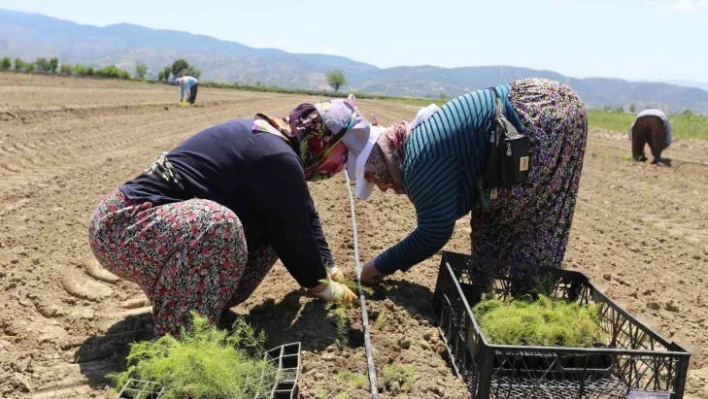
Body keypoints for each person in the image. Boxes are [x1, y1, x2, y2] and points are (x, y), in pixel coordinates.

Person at [87, 97, 372, 336]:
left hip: (155, 230)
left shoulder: (280, 148)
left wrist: (329, 266)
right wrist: (321, 285)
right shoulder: (278, 157)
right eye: (342, 156)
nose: (338, 167)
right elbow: (294, 239)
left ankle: (197, 304)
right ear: (323, 141)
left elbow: (303, 214)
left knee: (273, 223)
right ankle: (182, 339)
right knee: (220, 225)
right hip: (122, 226)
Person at [344, 78, 589, 287]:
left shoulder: (419, 164)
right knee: (490, 217)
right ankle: (488, 296)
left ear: (377, 168)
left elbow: (434, 232)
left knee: (531, 222)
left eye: (376, 183)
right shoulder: (416, 145)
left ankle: (530, 299)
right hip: (534, 103)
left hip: (544, 120)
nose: (385, 189)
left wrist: (377, 267)